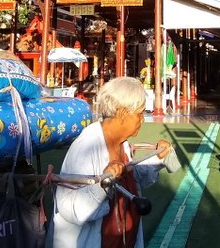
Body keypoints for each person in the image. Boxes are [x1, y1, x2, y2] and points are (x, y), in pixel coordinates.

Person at [47, 77, 172, 248]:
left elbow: (130, 180)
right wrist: (102, 185)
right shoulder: (86, 146)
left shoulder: (123, 143)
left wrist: (158, 158)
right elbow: (70, 207)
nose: (142, 119)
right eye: (139, 113)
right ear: (122, 113)